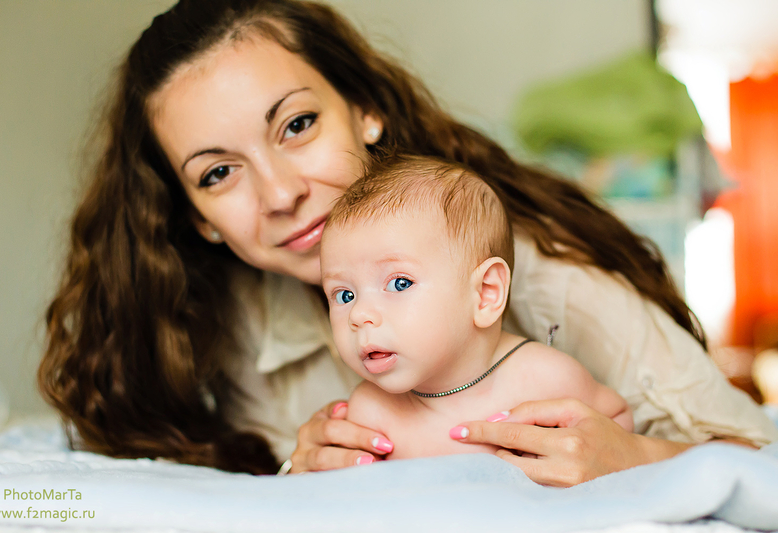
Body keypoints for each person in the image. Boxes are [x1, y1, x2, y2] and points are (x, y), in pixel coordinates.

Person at [38, 0, 777, 485]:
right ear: (198, 217)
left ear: (365, 110)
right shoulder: (224, 321)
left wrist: (637, 456)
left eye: (298, 125)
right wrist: (296, 471)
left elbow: (755, 459)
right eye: (219, 173)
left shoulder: (537, 271)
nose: (280, 193)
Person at [320, 156, 634, 461]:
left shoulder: (545, 379)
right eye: (345, 295)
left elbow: (616, 423)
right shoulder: (370, 414)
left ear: (486, 293)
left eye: (400, 283)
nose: (359, 315)